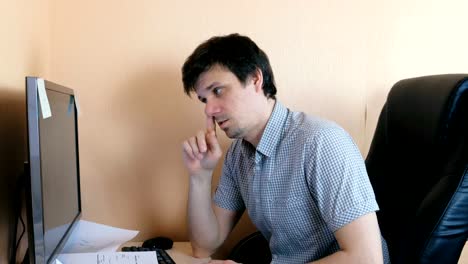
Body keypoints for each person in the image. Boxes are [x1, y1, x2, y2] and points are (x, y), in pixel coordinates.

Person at [181, 33, 390, 264]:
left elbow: (367, 259)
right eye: (204, 100)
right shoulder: (238, 154)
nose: (208, 110)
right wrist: (200, 177)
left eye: (218, 91)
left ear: (255, 79)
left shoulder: (321, 142)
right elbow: (204, 247)